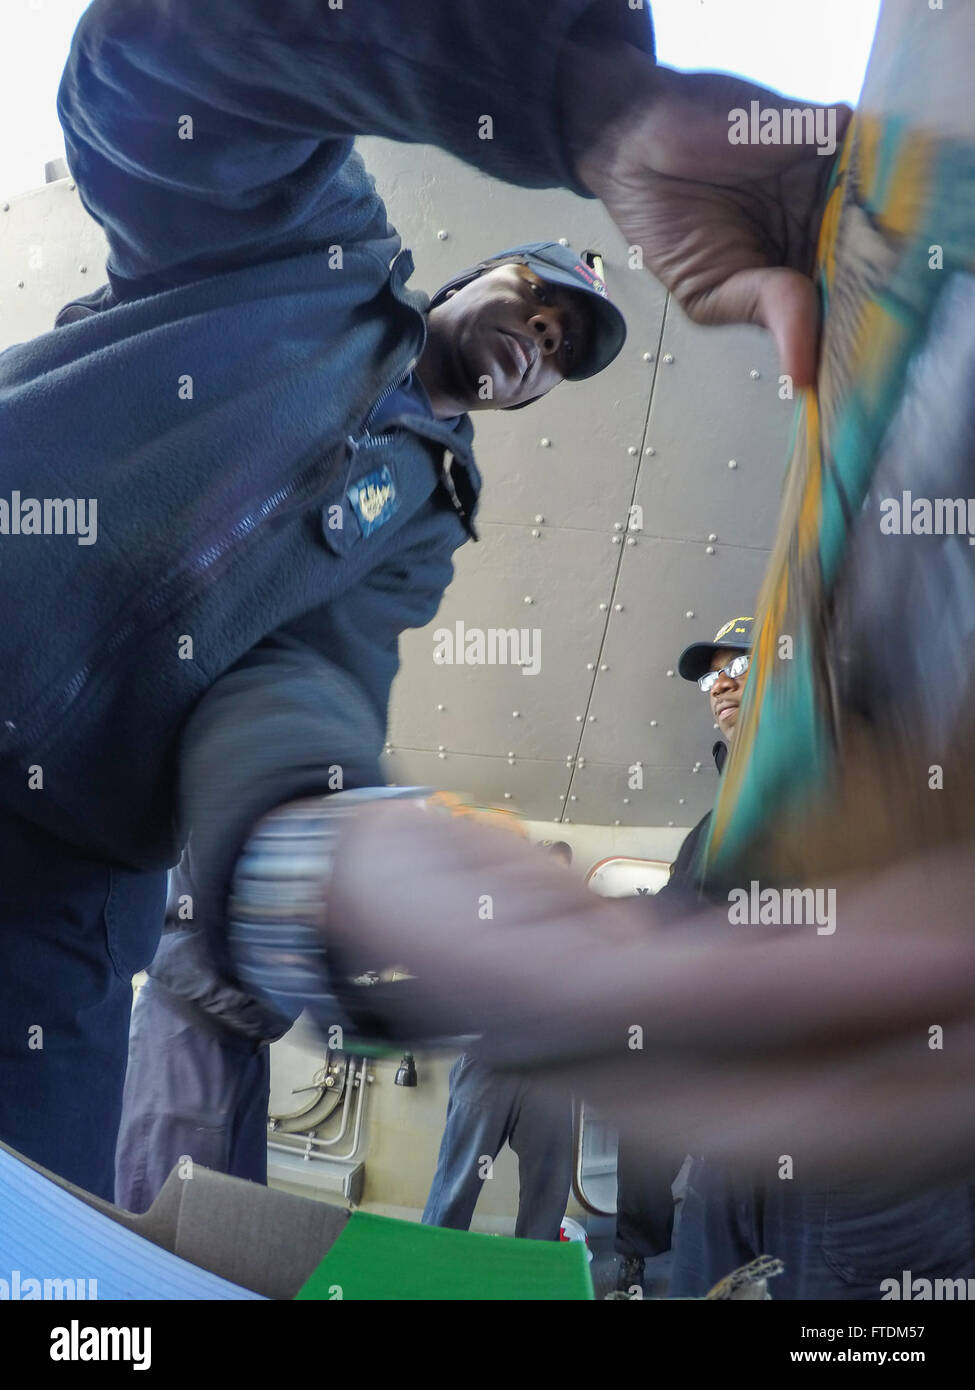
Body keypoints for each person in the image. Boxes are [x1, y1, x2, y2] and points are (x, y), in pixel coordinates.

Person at [0, 0, 875, 1207]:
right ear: (471, 278)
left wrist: (341, 861)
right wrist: (591, 102)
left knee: (44, 1239)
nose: (536, 340)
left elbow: (289, 700)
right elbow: (149, 63)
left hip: (62, 905)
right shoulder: (304, 249)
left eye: (561, 349)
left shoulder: (420, 532)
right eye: (532, 301)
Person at [614, 616, 755, 1292]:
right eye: (709, 673)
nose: (719, 683)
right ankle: (639, 1258)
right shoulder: (712, 820)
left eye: (739, 667)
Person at [421, 842, 576, 1242]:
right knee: (457, 1182)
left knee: (549, 1187)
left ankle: (532, 1271)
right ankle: (429, 1263)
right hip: (489, 1061)